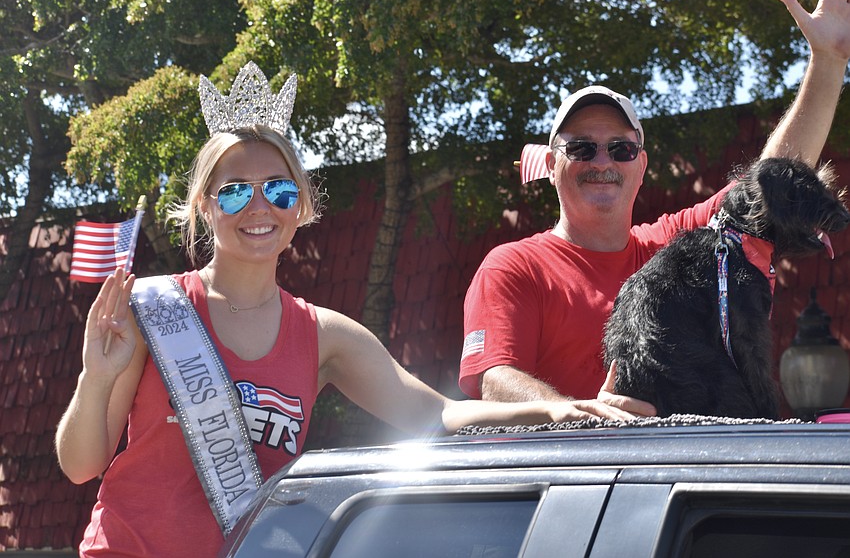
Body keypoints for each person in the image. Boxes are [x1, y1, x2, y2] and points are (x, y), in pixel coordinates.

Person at [54, 62, 638, 558]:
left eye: (279, 190)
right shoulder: (152, 310)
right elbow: (80, 466)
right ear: (207, 205)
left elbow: (436, 417)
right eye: (235, 190)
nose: (259, 207)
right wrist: (96, 377)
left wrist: (557, 413)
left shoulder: (324, 336)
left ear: (300, 205)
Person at [459, 0, 850, 412]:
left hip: (667, 473)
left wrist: (827, 63)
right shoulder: (514, 266)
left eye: (621, 150)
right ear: (552, 165)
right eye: (583, 149)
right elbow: (496, 380)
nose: (603, 161)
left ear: (640, 166)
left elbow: (771, 185)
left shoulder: (673, 248)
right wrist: (580, 415)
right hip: (573, 474)